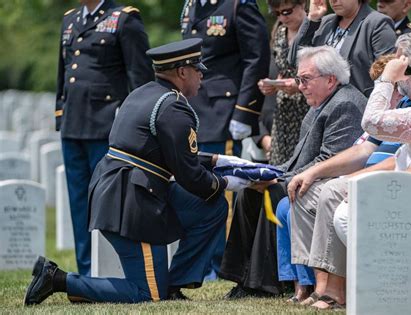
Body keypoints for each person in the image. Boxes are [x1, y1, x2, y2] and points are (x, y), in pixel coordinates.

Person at [24, 38, 252, 305]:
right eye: (196, 68)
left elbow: (156, 152)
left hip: (129, 191)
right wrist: (228, 182)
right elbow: (190, 176)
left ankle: (175, 283)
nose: (201, 74)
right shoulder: (174, 107)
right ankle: (58, 279)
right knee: (146, 294)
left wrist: (214, 160)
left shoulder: (145, 94)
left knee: (211, 208)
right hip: (131, 203)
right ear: (181, 72)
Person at [305, 40, 411, 310]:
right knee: (362, 205)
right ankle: (387, 289)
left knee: (369, 211)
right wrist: (379, 186)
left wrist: (386, 191)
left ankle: (389, 290)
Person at [281, 30, 411, 308]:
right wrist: (313, 172)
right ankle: (320, 286)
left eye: (402, 62)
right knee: (305, 190)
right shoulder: (403, 99)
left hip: (393, 181)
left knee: (329, 192)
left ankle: (336, 291)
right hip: (375, 174)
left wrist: (386, 81)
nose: (396, 65)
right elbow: (364, 148)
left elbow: (374, 126)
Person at [219, 45, 367, 298]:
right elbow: (300, 159)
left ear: (330, 79)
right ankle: (241, 277)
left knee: (273, 192)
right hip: (308, 177)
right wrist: (265, 172)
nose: (300, 86)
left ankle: (263, 283)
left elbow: (330, 159)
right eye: (299, 79)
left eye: (305, 79)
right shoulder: (322, 102)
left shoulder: (346, 104)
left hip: (331, 182)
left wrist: (279, 178)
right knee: (248, 192)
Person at [55, 0, 154, 276]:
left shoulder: (124, 18)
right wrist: (60, 115)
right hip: (73, 125)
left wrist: (141, 123)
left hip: (106, 125)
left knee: (107, 201)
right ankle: (87, 269)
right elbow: (64, 73)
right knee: (78, 203)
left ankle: (113, 268)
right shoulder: (70, 19)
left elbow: (140, 76)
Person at [180, 0, 270, 279]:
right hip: (195, 107)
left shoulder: (237, 5)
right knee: (198, 188)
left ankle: (225, 265)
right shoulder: (191, 5)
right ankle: (205, 261)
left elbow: (257, 57)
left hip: (224, 109)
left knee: (223, 188)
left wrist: (245, 111)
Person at [288, 0, 396, 97]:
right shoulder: (325, 22)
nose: (334, 1)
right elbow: (294, 60)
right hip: (322, 108)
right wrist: (312, 19)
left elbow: (387, 75)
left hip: (358, 109)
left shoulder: (377, 23)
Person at [257, 0, 309, 165]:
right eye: (277, 14)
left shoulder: (316, 30)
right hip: (282, 114)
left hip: (308, 108)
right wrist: (268, 85)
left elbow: (325, 72)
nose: (283, 18)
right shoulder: (280, 33)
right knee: (278, 171)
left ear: (302, 4)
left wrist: (298, 83)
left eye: (287, 12)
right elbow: (278, 70)